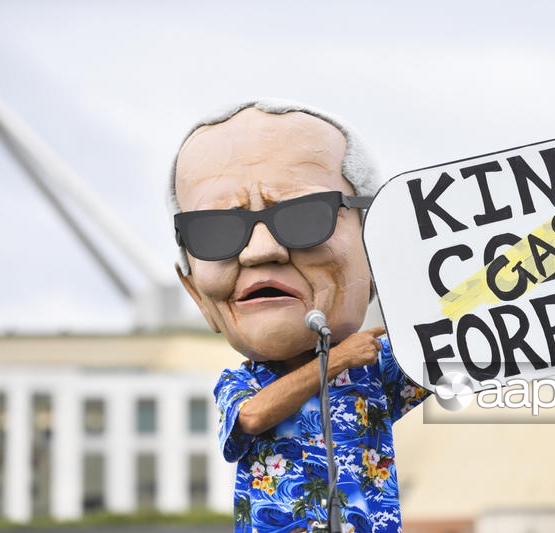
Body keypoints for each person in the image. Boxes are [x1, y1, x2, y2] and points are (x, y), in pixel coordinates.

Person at [169, 100, 429, 532]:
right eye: (216, 230)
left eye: (307, 218)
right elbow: (250, 419)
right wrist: (339, 359)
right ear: (196, 294)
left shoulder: (375, 370)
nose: (262, 250)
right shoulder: (240, 385)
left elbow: (464, 343)